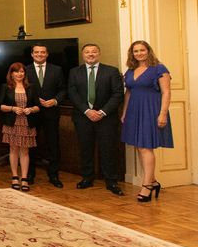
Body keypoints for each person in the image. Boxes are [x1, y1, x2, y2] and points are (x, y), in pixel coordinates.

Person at [120, 41, 174, 202]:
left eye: (142, 50)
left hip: (151, 110)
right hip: (133, 111)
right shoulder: (131, 70)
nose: (139, 53)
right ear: (132, 54)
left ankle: (147, 185)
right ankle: (153, 181)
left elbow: (166, 92)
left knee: (145, 146)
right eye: (135, 51)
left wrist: (162, 114)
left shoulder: (159, 68)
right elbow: (128, 93)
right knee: (139, 146)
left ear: (148, 51)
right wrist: (124, 113)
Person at [68, 43, 124, 195]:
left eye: (94, 52)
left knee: (108, 149)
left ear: (99, 53)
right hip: (83, 117)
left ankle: (111, 181)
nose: (91, 54)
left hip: (106, 118)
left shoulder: (111, 71)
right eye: (87, 52)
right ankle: (87, 178)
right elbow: (72, 93)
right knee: (85, 149)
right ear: (83, 55)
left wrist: (102, 112)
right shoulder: (74, 72)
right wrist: (87, 111)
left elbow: (118, 94)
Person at [25, 44, 67, 188]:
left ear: (47, 54)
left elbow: (63, 90)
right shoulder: (25, 70)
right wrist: (34, 101)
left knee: (53, 145)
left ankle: (53, 175)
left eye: (42, 52)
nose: (40, 54)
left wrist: (55, 100)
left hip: (51, 112)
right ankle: (29, 174)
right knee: (30, 144)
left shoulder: (57, 70)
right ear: (32, 54)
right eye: (36, 52)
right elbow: (20, 90)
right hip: (31, 113)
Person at [0, 63, 41, 192]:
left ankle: (24, 178)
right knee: (13, 150)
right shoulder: (6, 87)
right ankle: (15, 177)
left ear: (25, 74)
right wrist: (13, 108)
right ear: (11, 74)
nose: (19, 74)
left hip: (27, 123)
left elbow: (38, 106)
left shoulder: (31, 87)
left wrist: (31, 109)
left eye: (22, 72)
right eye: (16, 72)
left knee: (25, 151)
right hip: (12, 123)